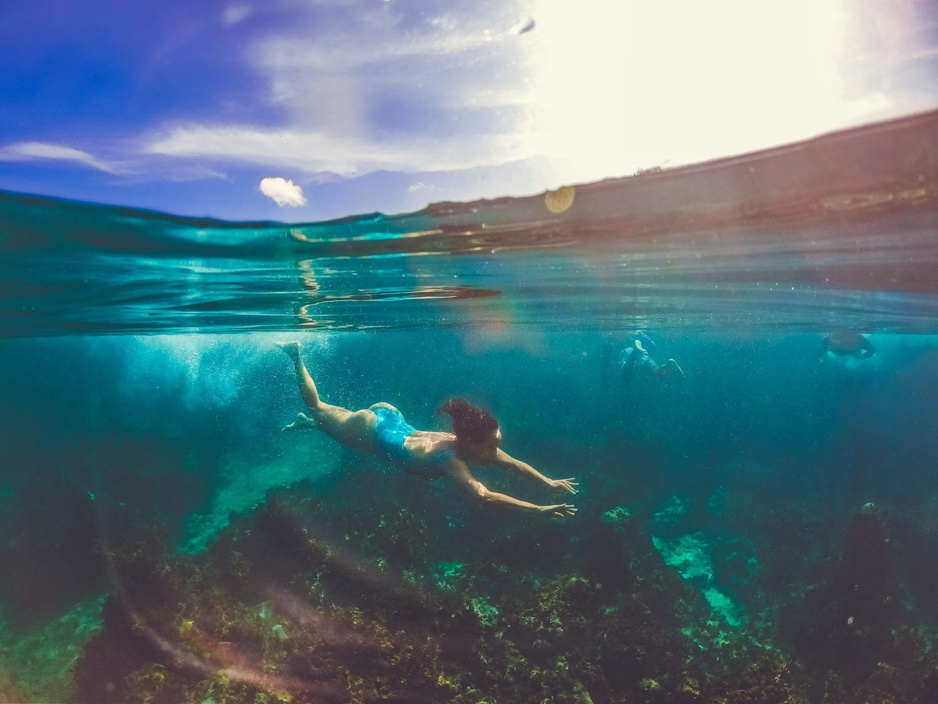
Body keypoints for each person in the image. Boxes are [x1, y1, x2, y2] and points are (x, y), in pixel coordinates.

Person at [277, 342, 577, 518]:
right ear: (472, 442)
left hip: (391, 416)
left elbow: (516, 466)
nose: (495, 451)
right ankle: (296, 356)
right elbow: (484, 496)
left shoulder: (468, 444)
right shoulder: (450, 460)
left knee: (327, 418)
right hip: (371, 430)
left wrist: (548, 482)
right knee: (319, 406)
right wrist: (539, 510)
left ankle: (309, 423)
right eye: (491, 445)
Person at [620, 332, 684, 382]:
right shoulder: (639, 337)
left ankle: (634, 352)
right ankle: (670, 365)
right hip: (642, 353)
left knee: (626, 375)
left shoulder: (625, 348)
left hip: (629, 352)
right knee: (657, 371)